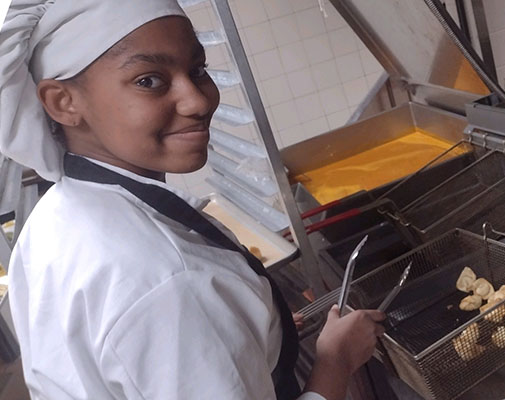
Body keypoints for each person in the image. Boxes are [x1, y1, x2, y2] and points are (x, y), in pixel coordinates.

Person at [0, 1, 386, 399]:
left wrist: (250, 329)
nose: (198, 101)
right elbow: (164, 309)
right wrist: (336, 360)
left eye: (197, 70)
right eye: (149, 80)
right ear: (64, 102)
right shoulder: (170, 281)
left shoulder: (54, 216)